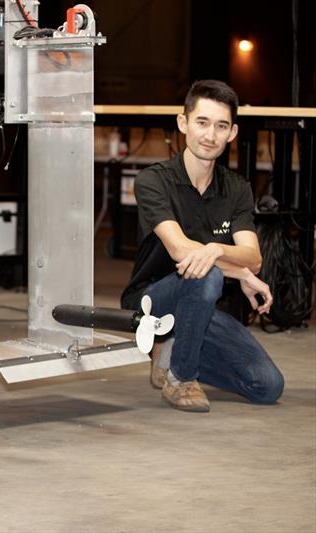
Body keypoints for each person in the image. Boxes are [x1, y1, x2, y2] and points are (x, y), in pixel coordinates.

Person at [121, 79, 284, 413]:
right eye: (202, 122)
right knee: (206, 274)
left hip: (199, 309)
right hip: (151, 302)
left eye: (221, 126)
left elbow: (253, 257)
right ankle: (181, 378)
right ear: (183, 124)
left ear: (233, 133)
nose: (211, 135)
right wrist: (235, 270)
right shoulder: (154, 180)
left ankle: (172, 349)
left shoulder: (236, 189)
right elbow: (181, 252)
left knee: (267, 385)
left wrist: (219, 252)